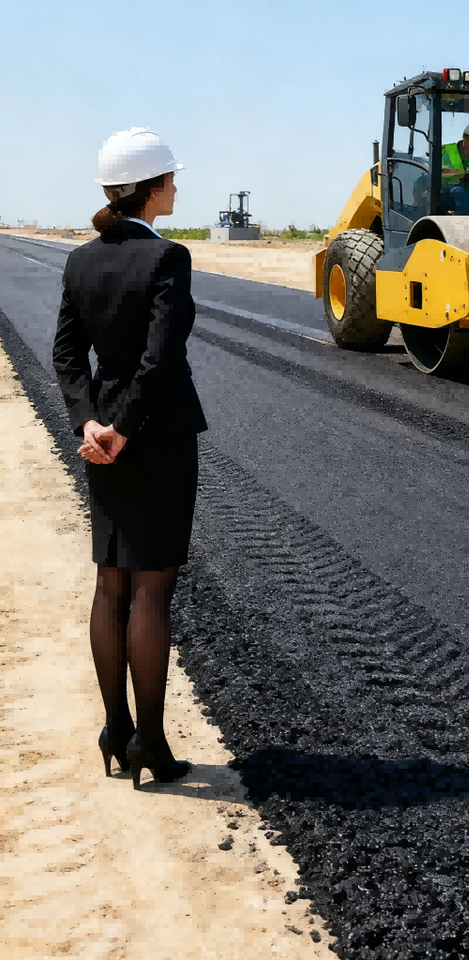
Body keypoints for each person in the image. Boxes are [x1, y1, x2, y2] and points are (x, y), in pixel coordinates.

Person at [52, 128, 207, 790]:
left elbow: (66, 355)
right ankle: (150, 742)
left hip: (102, 442)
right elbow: (161, 359)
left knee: (111, 579)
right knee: (150, 585)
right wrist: (124, 429)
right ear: (151, 188)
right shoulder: (168, 257)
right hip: (156, 438)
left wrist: (91, 421)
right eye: (171, 179)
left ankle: (115, 732)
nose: (176, 187)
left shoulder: (80, 261)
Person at [440, 123, 469, 213]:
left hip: (468, 188)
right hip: (445, 189)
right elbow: (440, 172)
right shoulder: (446, 150)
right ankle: (463, 218)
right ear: (465, 138)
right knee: (461, 193)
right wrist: (465, 173)